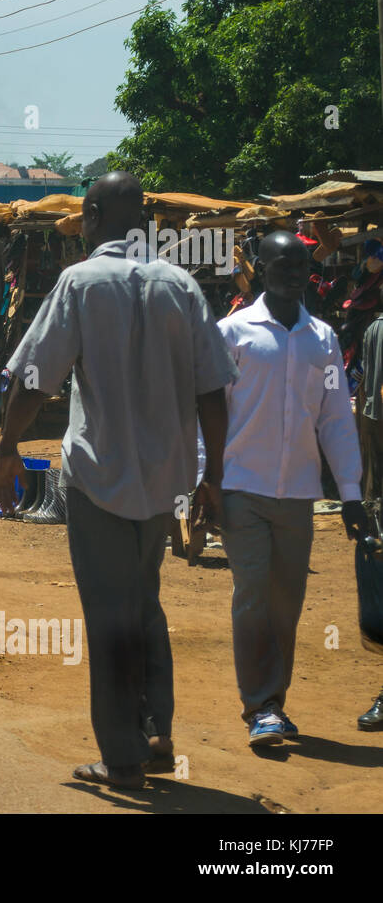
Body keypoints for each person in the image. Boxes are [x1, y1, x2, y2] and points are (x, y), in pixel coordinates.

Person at [0, 171, 237, 790]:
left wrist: (7, 448)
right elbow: (213, 391)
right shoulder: (181, 285)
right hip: (166, 482)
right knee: (142, 601)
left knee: (108, 616)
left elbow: (34, 380)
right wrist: (216, 478)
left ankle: (122, 758)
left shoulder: (80, 283)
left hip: (100, 480)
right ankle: (156, 730)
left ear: (93, 216)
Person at [213, 231, 367, 746]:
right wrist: (202, 482)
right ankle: (259, 705)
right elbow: (208, 416)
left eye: (302, 265)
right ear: (259, 268)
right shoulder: (232, 333)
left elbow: (334, 421)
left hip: (299, 496)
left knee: (286, 603)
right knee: (253, 596)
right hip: (240, 487)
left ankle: (274, 701)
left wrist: (350, 492)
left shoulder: (321, 339)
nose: (295, 274)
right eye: (283, 264)